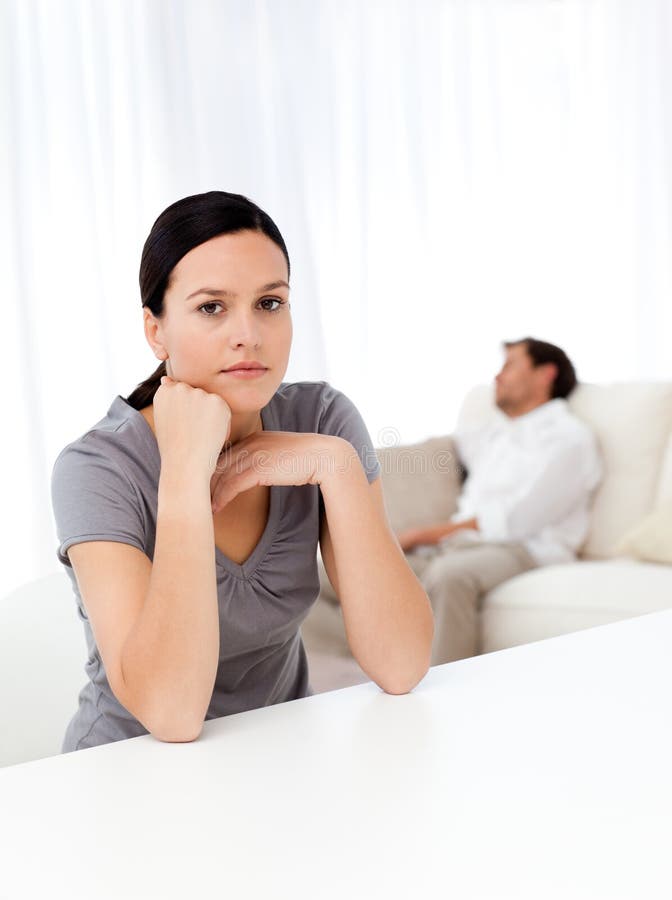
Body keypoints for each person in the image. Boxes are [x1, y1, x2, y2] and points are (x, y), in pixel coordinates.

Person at [51, 190, 434, 752]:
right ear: (156, 331)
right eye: (211, 307)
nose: (249, 335)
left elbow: (402, 665)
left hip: (277, 763)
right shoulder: (97, 468)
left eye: (270, 303)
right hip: (128, 777)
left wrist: (335, 465)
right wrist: (183, 471)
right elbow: (173, 713)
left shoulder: (322, 421)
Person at [383, 338, 602, 665]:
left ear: (545, 374)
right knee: (342, 573)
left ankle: (442, 695)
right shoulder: (494, 434)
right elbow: (441, 450)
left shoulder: (570, 439)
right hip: (460, 545)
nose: (497, 377)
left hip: (524, 550)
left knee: (450, 576)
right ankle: (344, 682)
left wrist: (420, 535)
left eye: (509, 365)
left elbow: (517, 523)